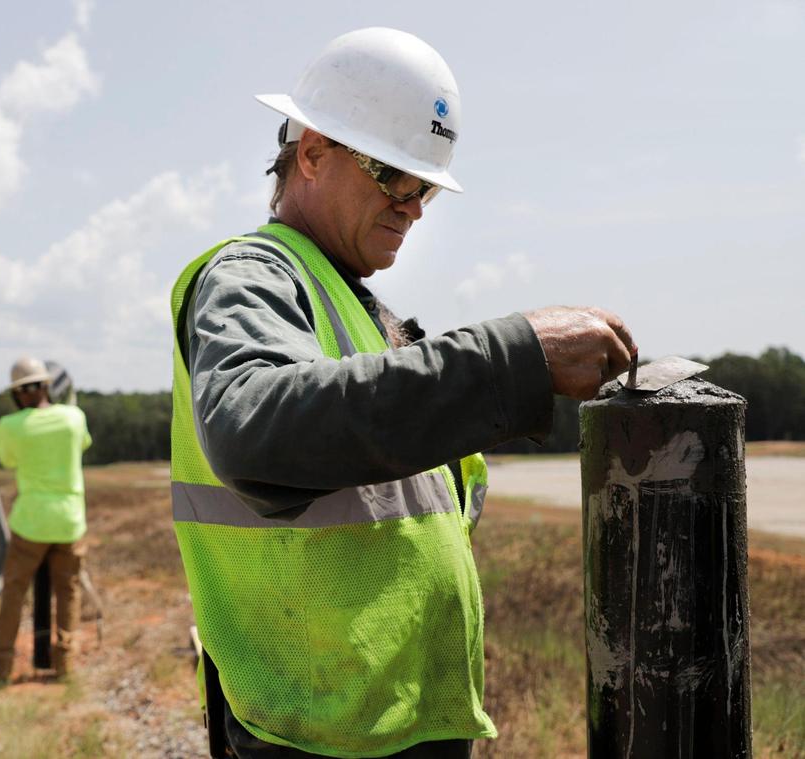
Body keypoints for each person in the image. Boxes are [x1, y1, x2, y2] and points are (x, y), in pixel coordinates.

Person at [169, 28, 635, 758]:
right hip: (318, 733)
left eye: (425, 190)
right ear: (313, 152)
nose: (413, 207)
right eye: (395, 177)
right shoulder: (252, 277)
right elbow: (253, 430)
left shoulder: (362, 310)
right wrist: (516, 356)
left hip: (389, 720)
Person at [0, 357, 91, 685]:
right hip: (69, 522)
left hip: (30, 524)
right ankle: (65, 666)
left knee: (14, 593)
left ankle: (0, 667)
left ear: (17, 393)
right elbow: (83, 444)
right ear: (48, 386)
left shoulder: (10, 425)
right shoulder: (74, 417)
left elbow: (8, 459)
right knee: (68, 592)